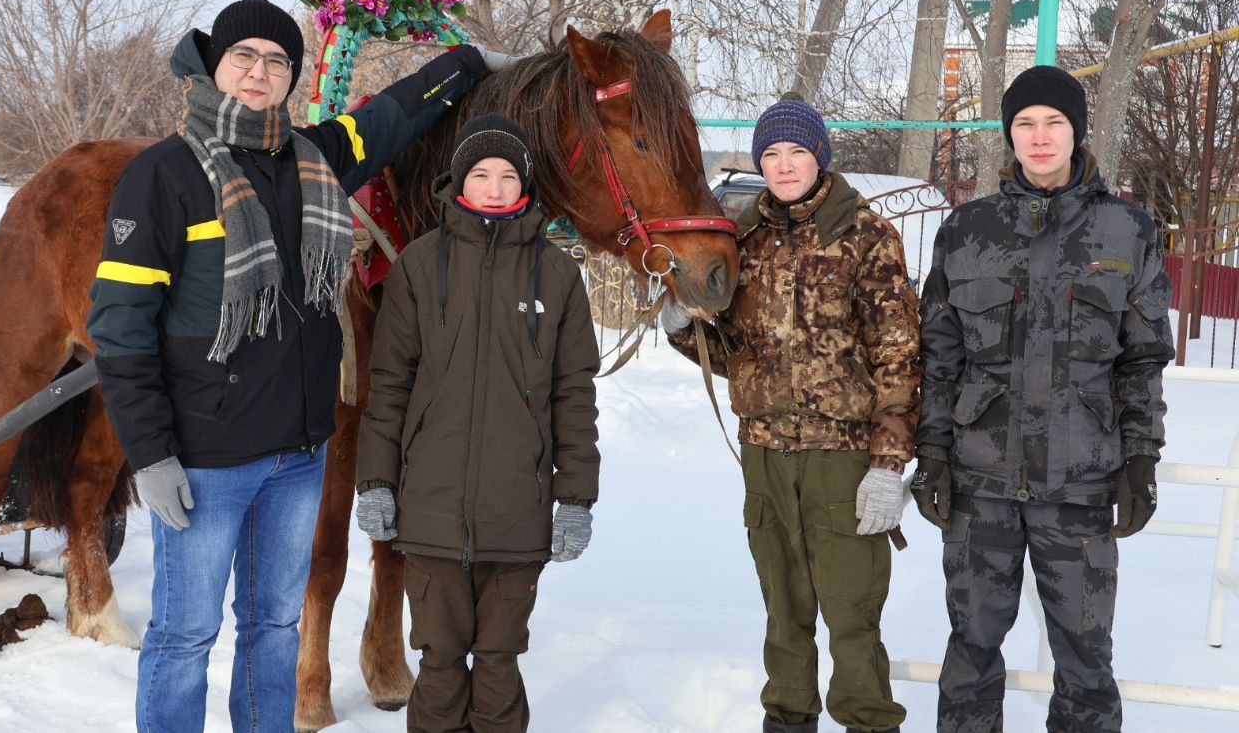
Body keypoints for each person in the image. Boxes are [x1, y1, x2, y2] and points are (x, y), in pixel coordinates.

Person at [85, 0, 507, 732]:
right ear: (213, 66)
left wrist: (467, 65)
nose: (260, 71)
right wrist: (149, 453)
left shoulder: (312, 158)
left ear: (291, 75)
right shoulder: (164, 175)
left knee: (275, 627)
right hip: (204, 462)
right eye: (244, 56)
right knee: (184, 637)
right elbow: (120, 330)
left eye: (277, 60)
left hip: (297, 457)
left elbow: (391, 118)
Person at [910, 64, 1175, 732]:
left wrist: (1140, 457)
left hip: (1082, 484)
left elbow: (1142, 359)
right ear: (1008, 134)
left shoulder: (1127, 232)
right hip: (980, 482)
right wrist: (933, 452)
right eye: (1025, 123)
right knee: (971, 649)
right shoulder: (966, 233)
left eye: (1053, 122)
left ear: (1076, 131)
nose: (1039, 136)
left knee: (1086, 658)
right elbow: (938, 357)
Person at [663, 94, 919, 733]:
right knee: (784, 608)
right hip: (765, 452)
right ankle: (787, 718)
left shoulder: (864, 236)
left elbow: (899, 356)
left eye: (796, 152)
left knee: (852, 612)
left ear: (820, 157)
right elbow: (734, 354)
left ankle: (866, 720)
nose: (782, 165)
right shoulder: (742, 237)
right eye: (771, 153)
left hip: (842, 457)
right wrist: (679, 323)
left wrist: (888, 464)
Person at [354, 114, 601, 733]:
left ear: (526, 187)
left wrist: (574, 497)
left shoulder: (558, 275)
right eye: (482, 174)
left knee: (498, 663)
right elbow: (389, 387)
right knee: (438, 664)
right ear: (460, 181)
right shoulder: (418, 266)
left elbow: (574, 395)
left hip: (517, 510)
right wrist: (375, 483)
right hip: (431, 510)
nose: (495, 187)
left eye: (508, 175)